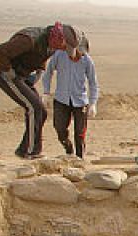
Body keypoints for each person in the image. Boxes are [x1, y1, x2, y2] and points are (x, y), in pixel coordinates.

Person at [0, 22, 84, 159]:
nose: (64, 49)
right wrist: (8, 71)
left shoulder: (53, 42)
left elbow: (43, 55)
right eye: (65, 46)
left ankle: (24, 150)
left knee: (42, 112)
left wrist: (40, 70)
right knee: (33, 108)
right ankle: (31, 152)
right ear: (59, 38)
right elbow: (0, 51)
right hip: (4, 73)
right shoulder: (29, 39)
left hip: (23, 75)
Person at [41, 27, 97, 158]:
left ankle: (79, 159)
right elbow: (48, 73)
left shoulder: (87, 61)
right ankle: (67, 147)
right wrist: (46, 92)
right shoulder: (58, 56)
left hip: (80, 101)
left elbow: (93, 83)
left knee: (80, 133)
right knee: (59, 128)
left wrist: (93, 103)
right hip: (61, 99)